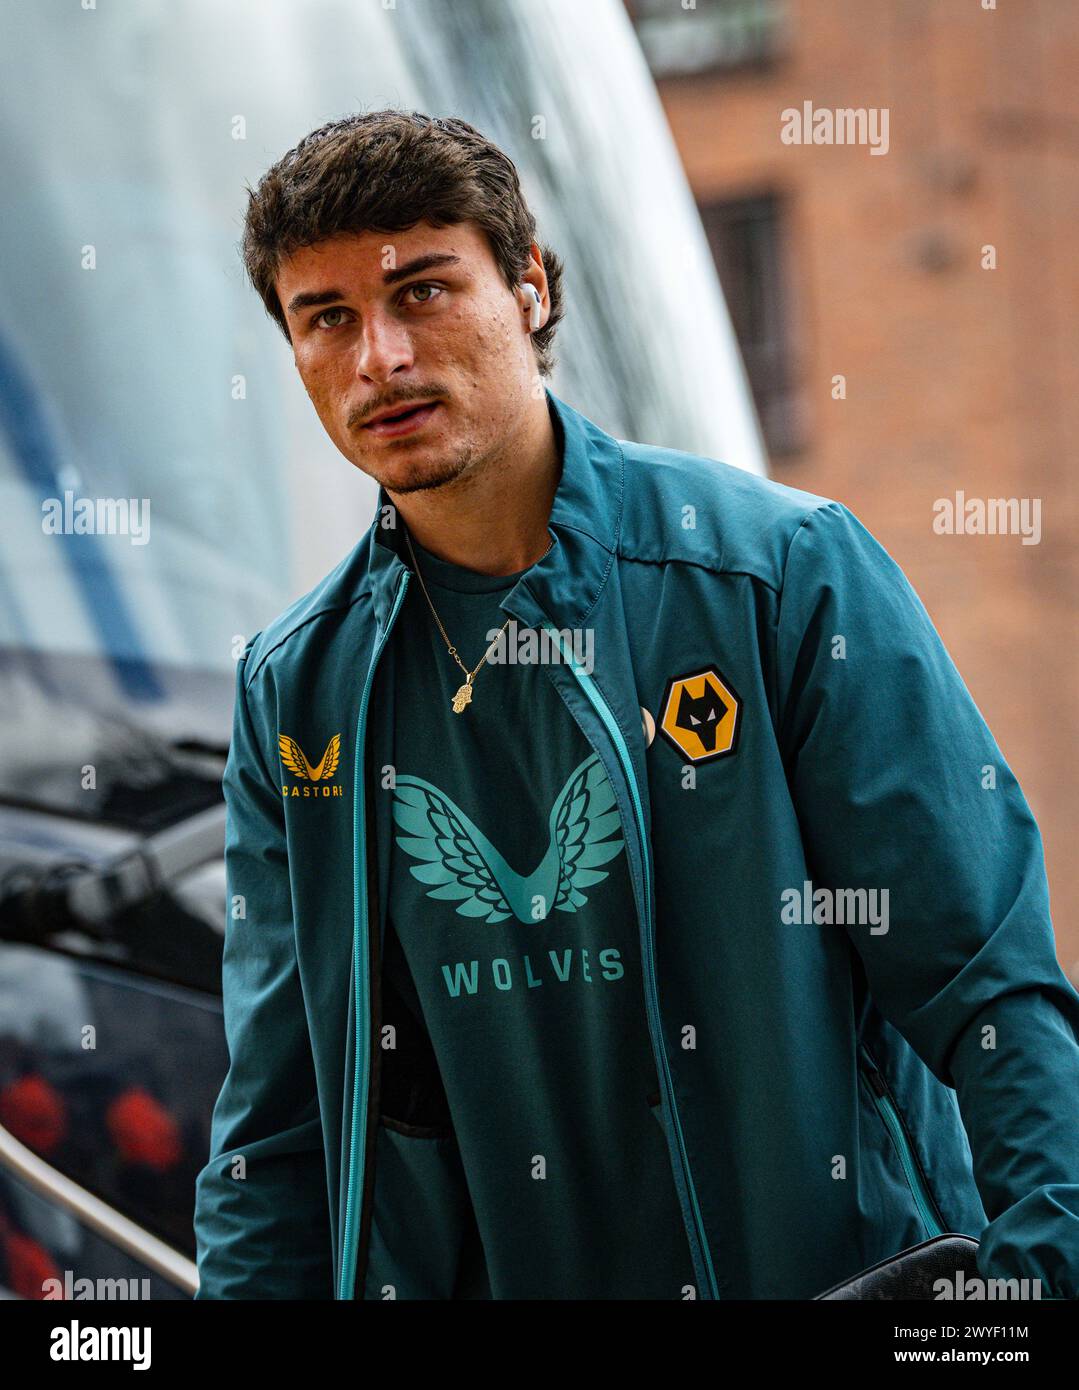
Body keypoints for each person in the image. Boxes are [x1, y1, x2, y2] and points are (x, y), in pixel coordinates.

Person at [193, 109, 1079, 1300]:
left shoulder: (778, 575)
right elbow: (274, 1135)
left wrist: (1032, 1291)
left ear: (529, 288)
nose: (380, 358)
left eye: (424, 292)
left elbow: (986, 985)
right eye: (328, 318)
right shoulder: (297, 695)